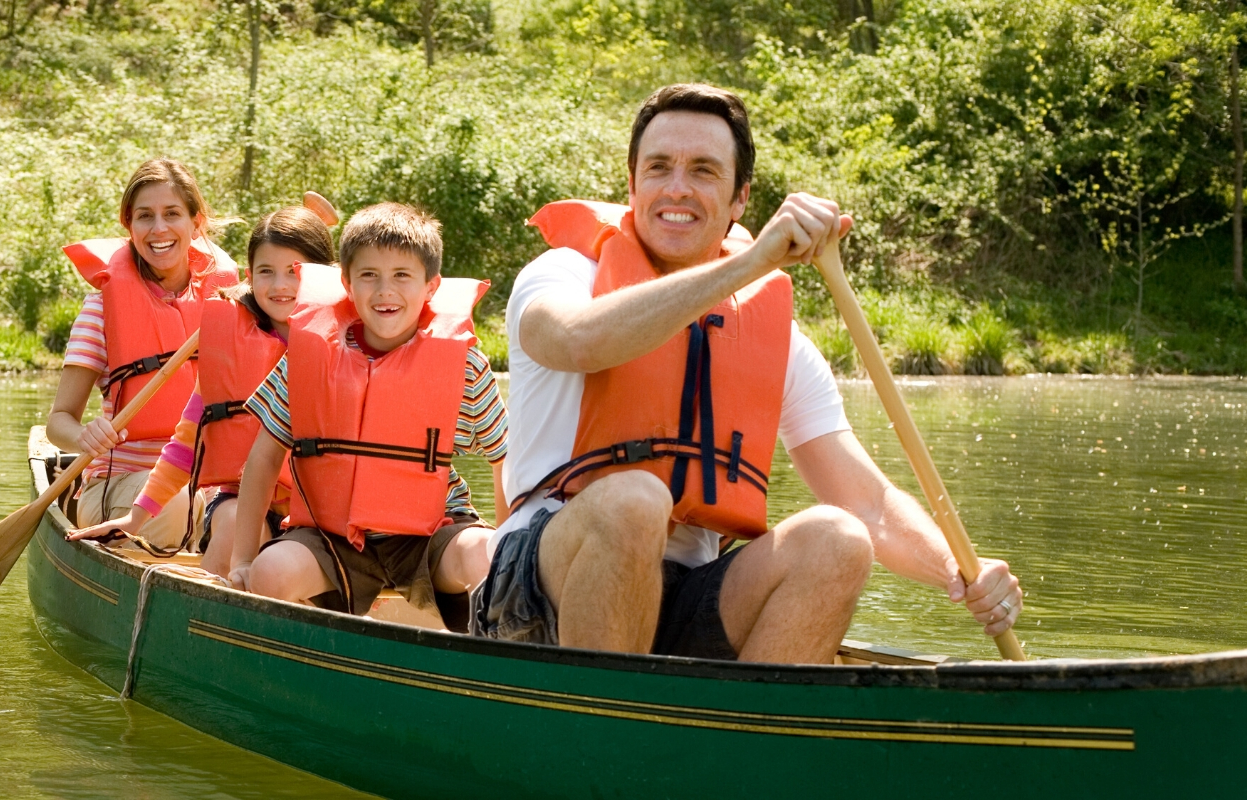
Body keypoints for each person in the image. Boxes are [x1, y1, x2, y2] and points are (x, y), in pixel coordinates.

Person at [476, 83, 1022, 663]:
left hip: (687, 593)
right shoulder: (561, 275)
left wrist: (960, 572)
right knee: (635, 499)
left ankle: (744, 740)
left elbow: (869, 503)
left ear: (740, 199)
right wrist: (751, 261)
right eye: (658, 167)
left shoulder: (773, 339)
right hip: (536, 589)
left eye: (704, 171)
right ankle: (612, 734)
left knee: (838, 539)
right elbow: (573, 339)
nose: (677, 187)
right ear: (632, 186)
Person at [229, 203, 509, 633]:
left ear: (431, 286)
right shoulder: (307, 357)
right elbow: (263, 460)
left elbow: (505, 459)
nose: (385, 291)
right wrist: (243, 559)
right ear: (346, 282)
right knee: (270, 573)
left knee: (491, 554)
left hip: (433, 531)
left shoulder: (463, 364)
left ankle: (494, 658)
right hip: (331, 536)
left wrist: (512, 548)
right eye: (369, 275)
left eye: (402, 275)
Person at [66, 202, 344, 588]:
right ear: (250, 276)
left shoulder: (351, 347)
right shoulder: (230, 345)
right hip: (241, 503)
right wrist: (137, 516)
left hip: (320, 512)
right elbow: (187, 443)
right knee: (232, 524)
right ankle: (211, 607)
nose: (280, 286)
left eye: (294, 273)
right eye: (266, 272)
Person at [48, 159, 239, 543]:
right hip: (120, 487)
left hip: (208, 488)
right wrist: (85, 435)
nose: (159, 229)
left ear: (196, 223)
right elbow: (58, 422)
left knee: (244, 515)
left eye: (172, 214)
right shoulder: (102, 307)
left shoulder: (229, 305)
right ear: (129, 226)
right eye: (145, 217)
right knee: (173, 502)